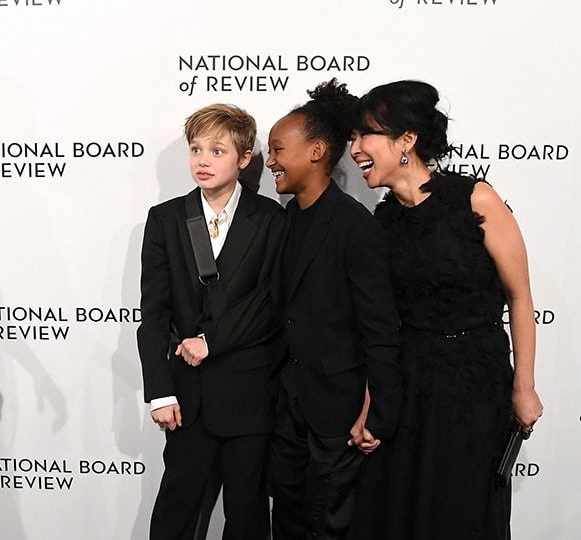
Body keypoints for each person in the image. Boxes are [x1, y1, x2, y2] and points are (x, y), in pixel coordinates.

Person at [347, 80, 544, 539]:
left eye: (365, 136)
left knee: (461, 510)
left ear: (406, 141)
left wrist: (525, 386)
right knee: (401, 511)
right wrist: (372, 404)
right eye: (352, 138)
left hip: (474, 386)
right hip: (410, 384)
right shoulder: (384, 220)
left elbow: (520, 297)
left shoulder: (474, 199)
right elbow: (383, 326)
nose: (354, 149)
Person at [138, 104, 285, 539]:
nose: (203, 160)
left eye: (217, 150)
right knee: (175, 516)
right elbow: (154, 313)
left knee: (247, 517)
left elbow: (270, 305)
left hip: (250, 395)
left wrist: (210, 340)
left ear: (243, 159)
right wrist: (159, 391)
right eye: (196, 149)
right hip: (188, 397)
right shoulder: (165, 218)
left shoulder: (271, 219)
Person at [264, 79, 402, 539]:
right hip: (290, 411)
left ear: (318, 150)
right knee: (285, 522)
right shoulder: (286, 219)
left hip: (338, 416)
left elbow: (380, 328)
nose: (270, 162)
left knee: (330, 528)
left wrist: (375, 409)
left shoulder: (353, 227)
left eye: (279, 149)